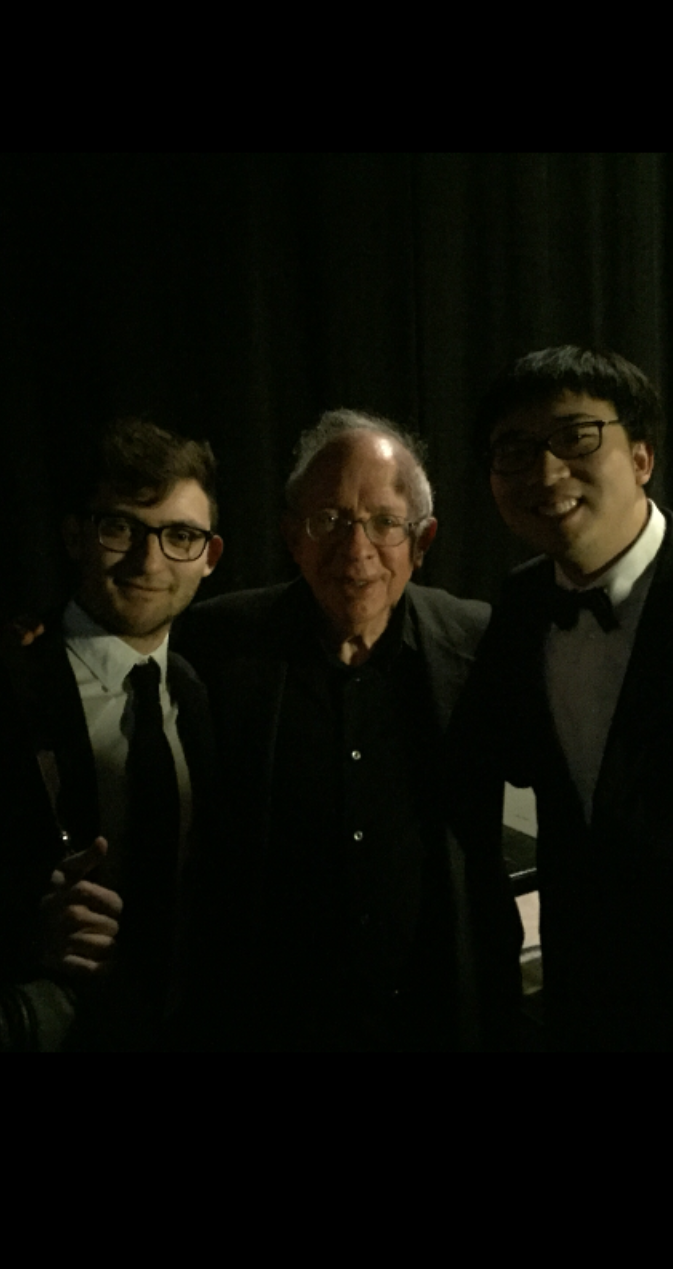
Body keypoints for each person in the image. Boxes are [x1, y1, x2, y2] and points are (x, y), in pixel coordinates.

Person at [176, 409, 521, 1051]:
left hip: (438, 1018)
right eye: (328, 521)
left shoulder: (478, 644)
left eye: (385, 523)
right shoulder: (215, 644)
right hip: (273, 1024)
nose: (355, 550)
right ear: (292, 536)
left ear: (422, 543)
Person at [463, 343, 673, 1051]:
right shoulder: (520, 606)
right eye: (516, 449)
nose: (545, 470)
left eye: (575, 437)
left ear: (643, 457)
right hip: (583, 1004)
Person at [0, 417, 223, 1050]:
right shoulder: (10, 681)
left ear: (209, 557)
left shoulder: (202, 691)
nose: (149, 561)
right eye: (121, 526)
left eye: (180, 534)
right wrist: (24, 931)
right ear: (76, 534)